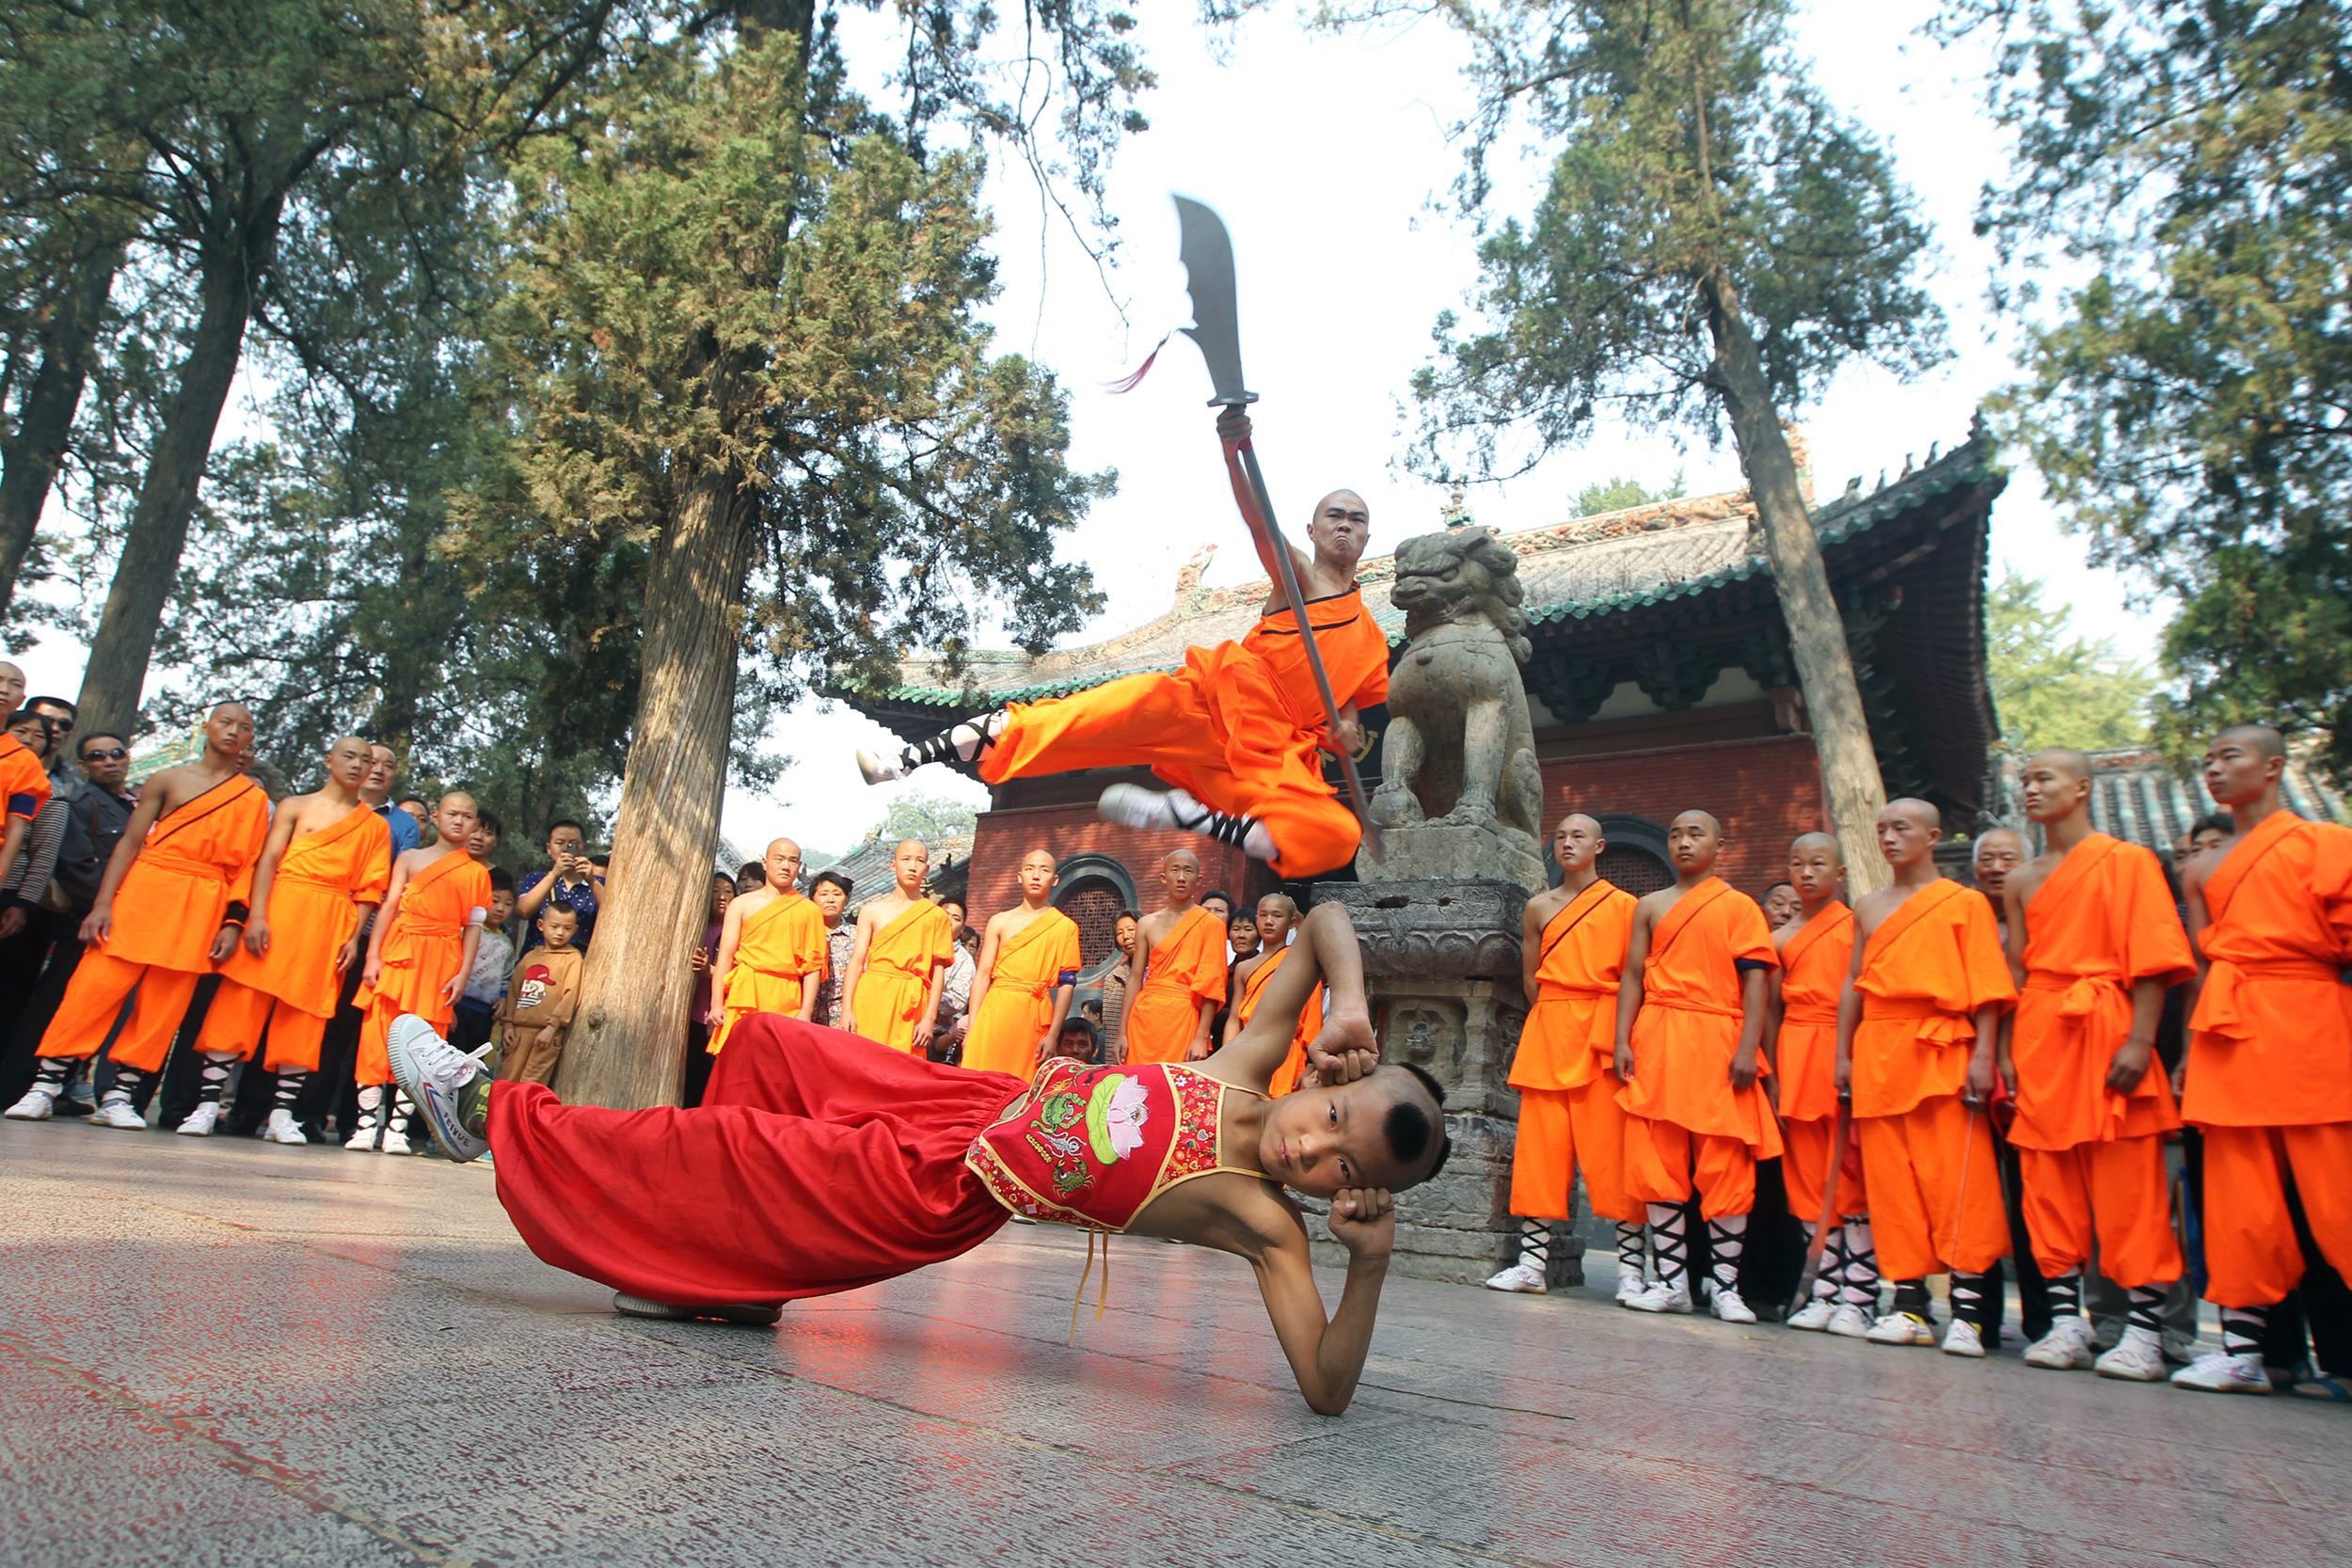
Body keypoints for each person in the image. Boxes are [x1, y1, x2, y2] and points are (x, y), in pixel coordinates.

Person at [388, 899, 1447, 1415]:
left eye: (1338, 1167)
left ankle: (488, 1113)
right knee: (768, 1045)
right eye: (1335, 1111)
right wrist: (1348, 996)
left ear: (1342, 1192)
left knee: (735, 1144)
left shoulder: (1260, 1222)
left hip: (950, 1182)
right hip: (962, 1096)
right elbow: (1325, 918)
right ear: (1326, 1070)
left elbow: (1323, 1385)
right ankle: (729, 1275)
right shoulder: (1244, 1064)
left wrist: (1369, 1264)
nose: (1312, 1142)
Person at [858, 416, 1387, 880]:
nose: (1345, 525)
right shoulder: (1296, 577)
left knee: (1336, 832)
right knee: (1083, 714)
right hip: (1213, 704)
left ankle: (1191, 817)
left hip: (1272, 746)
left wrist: (1343, 731)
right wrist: (1234, 454)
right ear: (1313, 530)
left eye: (1357, 519)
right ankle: (903, 760)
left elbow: (1346, 719)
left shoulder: (1372, 638)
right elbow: (1258, 520)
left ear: (1367, 535)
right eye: (1335, 516)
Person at [1998, 750, 2196, 1381]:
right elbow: (2019, 970)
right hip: (2042, 1029)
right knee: (2047, 1179)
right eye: (2026, 780)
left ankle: (2143, 1330)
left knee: (2130, 1181)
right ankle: (2065, 1320)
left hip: (2108, 1019)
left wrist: (2141, 1041)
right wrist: (2008, 1050)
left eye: (2044, 778)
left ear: (2082, 787)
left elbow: (2153, 959)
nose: (2031, 788)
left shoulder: (2127, 861)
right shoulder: (2022, 879)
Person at [2170, 724, 2352, 1394]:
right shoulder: (2200, 867)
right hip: (2229, 1025)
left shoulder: (2326, 842)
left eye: (2229, 756)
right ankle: (2245, 1349)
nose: (2214, 768)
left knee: (2338, 1194)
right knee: (2238, 1201)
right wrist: (2189, 1051)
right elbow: (2199, 965)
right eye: (2208, 757)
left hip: (2309, 1021)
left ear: (2273, 766)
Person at [8, 704, 269, 1126]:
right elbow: (130, 842)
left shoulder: (253, 798)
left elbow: (249, 866)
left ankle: (121, 1096)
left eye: (244, 727)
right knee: (94, 988)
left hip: (205, 897)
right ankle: (46, 1085)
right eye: (225, 722)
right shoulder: (167, 779)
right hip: (149, 885)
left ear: (249, 739)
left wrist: (232, 922)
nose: (233, 731)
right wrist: (104, 903)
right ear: (206, 727)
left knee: (164, 1002)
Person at [1837, 799, 2016, 1355]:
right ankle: (1910, 1304)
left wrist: (1985, 1055)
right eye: (1882, 829)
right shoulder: (1867, 906)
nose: (1889, 838)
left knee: (1958, 1180)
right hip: (1880, 1048)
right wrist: (1843, 1054)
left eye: (1902, 828)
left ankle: (1968, 1313)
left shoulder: (1964, 903)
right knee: (1892, 1184)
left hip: (1942, 1044)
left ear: (1933, 836)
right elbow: (1853, 986)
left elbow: (1987, 986)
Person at [181, 735, 395, 1144]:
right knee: (238, 1006)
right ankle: (206, 1106)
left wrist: (352, 939)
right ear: (329, 759)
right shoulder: (295, 806)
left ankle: (282, 1114)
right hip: (280, 906)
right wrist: (256, 915)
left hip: (330, 918)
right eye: (348, 756)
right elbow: (267, 861)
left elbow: (370, 889)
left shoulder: (374, 827)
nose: (357, 765)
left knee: (305, 1017)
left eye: (365, 760)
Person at [1613, 811, 1781, 1322]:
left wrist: (1749, 1046)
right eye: (1675, 834)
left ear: (1719, 844)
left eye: (1696, 834)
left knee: (1725, 1161)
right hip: (1659, 1033)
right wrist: (1622, 1038)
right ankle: (1671, 1283)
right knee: (1657, 1161)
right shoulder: (1649, 906)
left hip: (1717, 1036)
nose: (1684, 842)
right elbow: (1631, 977)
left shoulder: (1739, 906)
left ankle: (1727, 1287)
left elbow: (1757, 982)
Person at [1486, 815, 1645, 1301]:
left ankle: (1633, 1272)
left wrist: (1620, 1035)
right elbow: (1531, 978)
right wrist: (1558, 1009)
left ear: (1599, 846)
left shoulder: (1625, 906)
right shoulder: (1538, 907)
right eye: (1560, 837)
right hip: (1552, 1026)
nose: (1568, 843)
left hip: (1600, 1030)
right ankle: (1532, 1264)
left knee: (1611, 1154)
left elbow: (1635, 975)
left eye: (1579, 836)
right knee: (1541, 1152)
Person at [1772, 832, 1876, 1336]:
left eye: (1818, 864)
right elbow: (1771, 1012)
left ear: (1841, 874)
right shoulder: (1780, 938)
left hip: (1843, 1045)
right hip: (1796, 1049)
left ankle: (1860, 1294)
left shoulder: (1858, 926)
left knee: (1851, 1174)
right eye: (1797, 864)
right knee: (1809, 1175)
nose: (1806, 873)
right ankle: (1826, 1289)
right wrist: (1771, 1074)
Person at [1, 729, 137, 1110]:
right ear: (82, 765)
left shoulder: (135, 806)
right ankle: (21, 1086)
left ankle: (58, 1087)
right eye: (97, 756)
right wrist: (107, 905)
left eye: (116, 752)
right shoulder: (78, 802)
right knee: (54, 1004)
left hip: (125, 923)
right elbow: (76, 866)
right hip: (86, 922)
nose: (109, 761)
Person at [347, 792, 489, 1153]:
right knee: (376, 1037)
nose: (459, 821)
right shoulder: (409, 859)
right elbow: (390, 906)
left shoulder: (476, 873)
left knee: (424, 1046)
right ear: (437, 815)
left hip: (442, 959)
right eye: (452, 814)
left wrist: (463, 974)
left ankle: (397, 1129)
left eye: (468, 816)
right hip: (399, 950)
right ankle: (365, 1125)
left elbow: (473, 928)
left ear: (476, 824)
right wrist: (373, 956)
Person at [962, 847, 1082, 1077]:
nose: (1036, 875)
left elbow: (1067, 983)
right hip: (995, 1010)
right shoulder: (999, 921)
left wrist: (1054, 1035)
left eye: (1044, 870)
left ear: (1055, 879)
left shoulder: (1065, 927)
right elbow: (983, 975)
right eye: (1030, 869)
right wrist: (972, 1027)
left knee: (1021, 1086)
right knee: (981, 1079)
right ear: (1020, 876)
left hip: (1034, 1015)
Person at [707, 839, 827, 1052]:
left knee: (777, 1068)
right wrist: (717, 1003)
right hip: (745, 991)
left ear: (799, 867)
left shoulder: (810, 910)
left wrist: (806, 1011)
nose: (785, 866)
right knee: (737, 1062)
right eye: (779, 859)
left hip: (787, 996)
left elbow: (813, 966)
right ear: (765, 862)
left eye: (792, 861)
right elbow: (725, 956)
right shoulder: (741, 904)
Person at [839, 841, 955, 1053]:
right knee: (862, 1061)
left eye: (919, 861)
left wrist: (929, 1018)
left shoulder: (936, 915)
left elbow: (938, 972)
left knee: (902, 1071)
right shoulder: (871, 910)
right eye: (906, 859)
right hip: (872, 994)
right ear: (893, 865)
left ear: (926, 869)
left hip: (910, 1002)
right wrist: (846, 1009)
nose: (912, 866)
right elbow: (856, 961)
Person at [1124, 849, 1228, 1065]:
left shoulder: (1211, 924)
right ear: (1163, 878)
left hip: (1184, 1013)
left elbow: (1211, 985)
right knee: (1137, 1086)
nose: (1181, 877)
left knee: (1174, 1088)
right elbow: (1135, 979)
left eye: (1188, 871)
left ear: (1198, 879)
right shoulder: (1146, 924)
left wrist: (1202, 1036)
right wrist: (1121, 1032)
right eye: (1175, 870)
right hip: (1144, 1015)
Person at [1225, 894, 1327, 1100]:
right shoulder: (1245, 967)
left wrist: (1310, 1066)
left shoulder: (1301, 964)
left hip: (1287, 1054)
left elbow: (1312, 1017)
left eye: (1277, 916)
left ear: (1291, 923)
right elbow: (1235, 1017)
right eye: (1263, 915)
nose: (1269, 921)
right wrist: (1227, 1057)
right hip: (1248, 1051)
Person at [496, 904, 585, 1086]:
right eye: (554, 927)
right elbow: (514, 991)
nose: (560, 933)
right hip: (518, 1032)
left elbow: (571, 995)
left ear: (575, 930)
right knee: (505, 1084)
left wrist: (553, 1027)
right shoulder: (530, 957)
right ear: (540, 925)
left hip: (545, 1034)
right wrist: (508, 1025)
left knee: (530, 1087)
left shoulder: (572, 958)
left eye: (567, 929)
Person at [454, 870, 518, 1057]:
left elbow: (506, 976)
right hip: (459, 1005)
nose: (500, 908)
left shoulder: (506, 943)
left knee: (474, 1060)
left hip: (484, 1013)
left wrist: (503, 998)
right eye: (495, 900)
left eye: (508, 904)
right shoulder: (466, 932)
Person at [516, 817, 597, 954]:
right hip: (537, 962)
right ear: (549, 848)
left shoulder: (597, 882)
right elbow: (523, 911)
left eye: (574, 844)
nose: (566, 849)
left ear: (583, 846)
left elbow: (612, 913)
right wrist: (554, 875)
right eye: (560, 843)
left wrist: (592, 881)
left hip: (579, 964)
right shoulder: (536, 879)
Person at [0, 705, 55, 897]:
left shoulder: (33, 779)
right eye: (21, 731)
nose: (28, 740)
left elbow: (18, 827)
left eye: (39, 736)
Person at [809, 870, 854, 1029]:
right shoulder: (804, 934)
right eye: (824, 894)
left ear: (847, 899)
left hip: (844, 1018)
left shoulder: (858, 936)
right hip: (808, 1016)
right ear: (812, 899)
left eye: (837, 894)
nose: (830, 900)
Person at [363, 745, 422, 856]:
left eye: (388, 766)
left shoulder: (407, 824)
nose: (379, 770)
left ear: (395, 775)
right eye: (372, 763)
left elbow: (402, 870)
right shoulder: (334, 808)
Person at [1100, 908, 1139, 1064]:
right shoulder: (1114, 977)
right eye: (1119, 933)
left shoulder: (1161, 971)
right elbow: (1110, 1027)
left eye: (1131, 930)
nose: (1126, 937)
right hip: (1121, 1057)